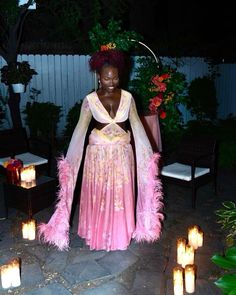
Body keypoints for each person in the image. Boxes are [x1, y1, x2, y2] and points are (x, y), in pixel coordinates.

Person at [38, 48, 163, 251]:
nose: (111, 82)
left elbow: (138, 128)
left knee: (121, 196)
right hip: (97, 158)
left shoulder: (128, 98)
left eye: (115, 78)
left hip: (123, 156)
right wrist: (70, 162)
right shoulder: (90, 100)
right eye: (107, 78)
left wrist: (148, 158)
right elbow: (80, 130)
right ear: (98, 77)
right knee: (100, 195)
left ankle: (120, 235)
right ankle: (97, 233)